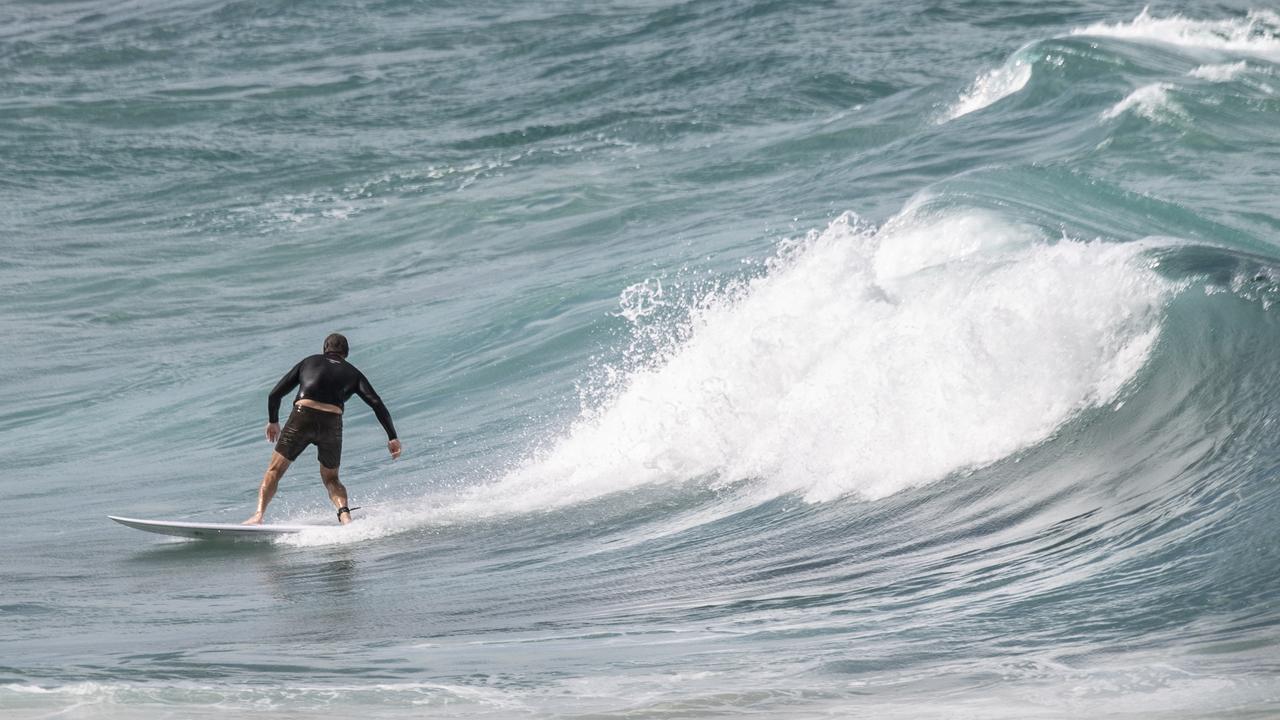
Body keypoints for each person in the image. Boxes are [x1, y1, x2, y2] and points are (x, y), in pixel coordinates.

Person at [244, 333, 402, 525]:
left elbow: (274, 394)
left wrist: (273, 420)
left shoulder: (309, 362)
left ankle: (259, 515)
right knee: (331, 478)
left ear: (324, 348)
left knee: (275, 470)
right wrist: (392, 437)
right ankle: (345, 517)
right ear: (346, 353)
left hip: (302, 417)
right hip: (332, 422)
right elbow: (376, 403)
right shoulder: (353, 373)